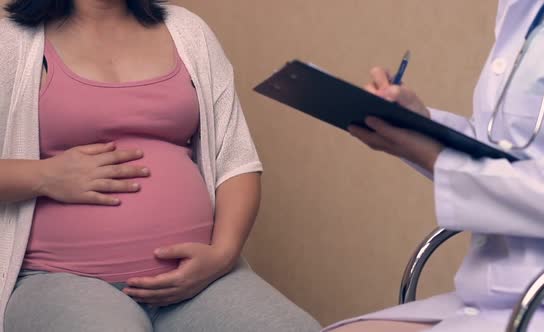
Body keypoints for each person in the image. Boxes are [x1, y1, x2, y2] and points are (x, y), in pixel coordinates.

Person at [0, 1, 320, 331]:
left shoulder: (188, 32)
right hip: (61, 278)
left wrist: (223, 254)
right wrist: (44, 176)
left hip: (199, 281)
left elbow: (236, 161)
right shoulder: (12, 42)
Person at [324, 0, 544, 331]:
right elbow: (508, 148)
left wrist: (435, 156)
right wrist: (419, 123)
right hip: (502, 290)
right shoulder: (525, 8)